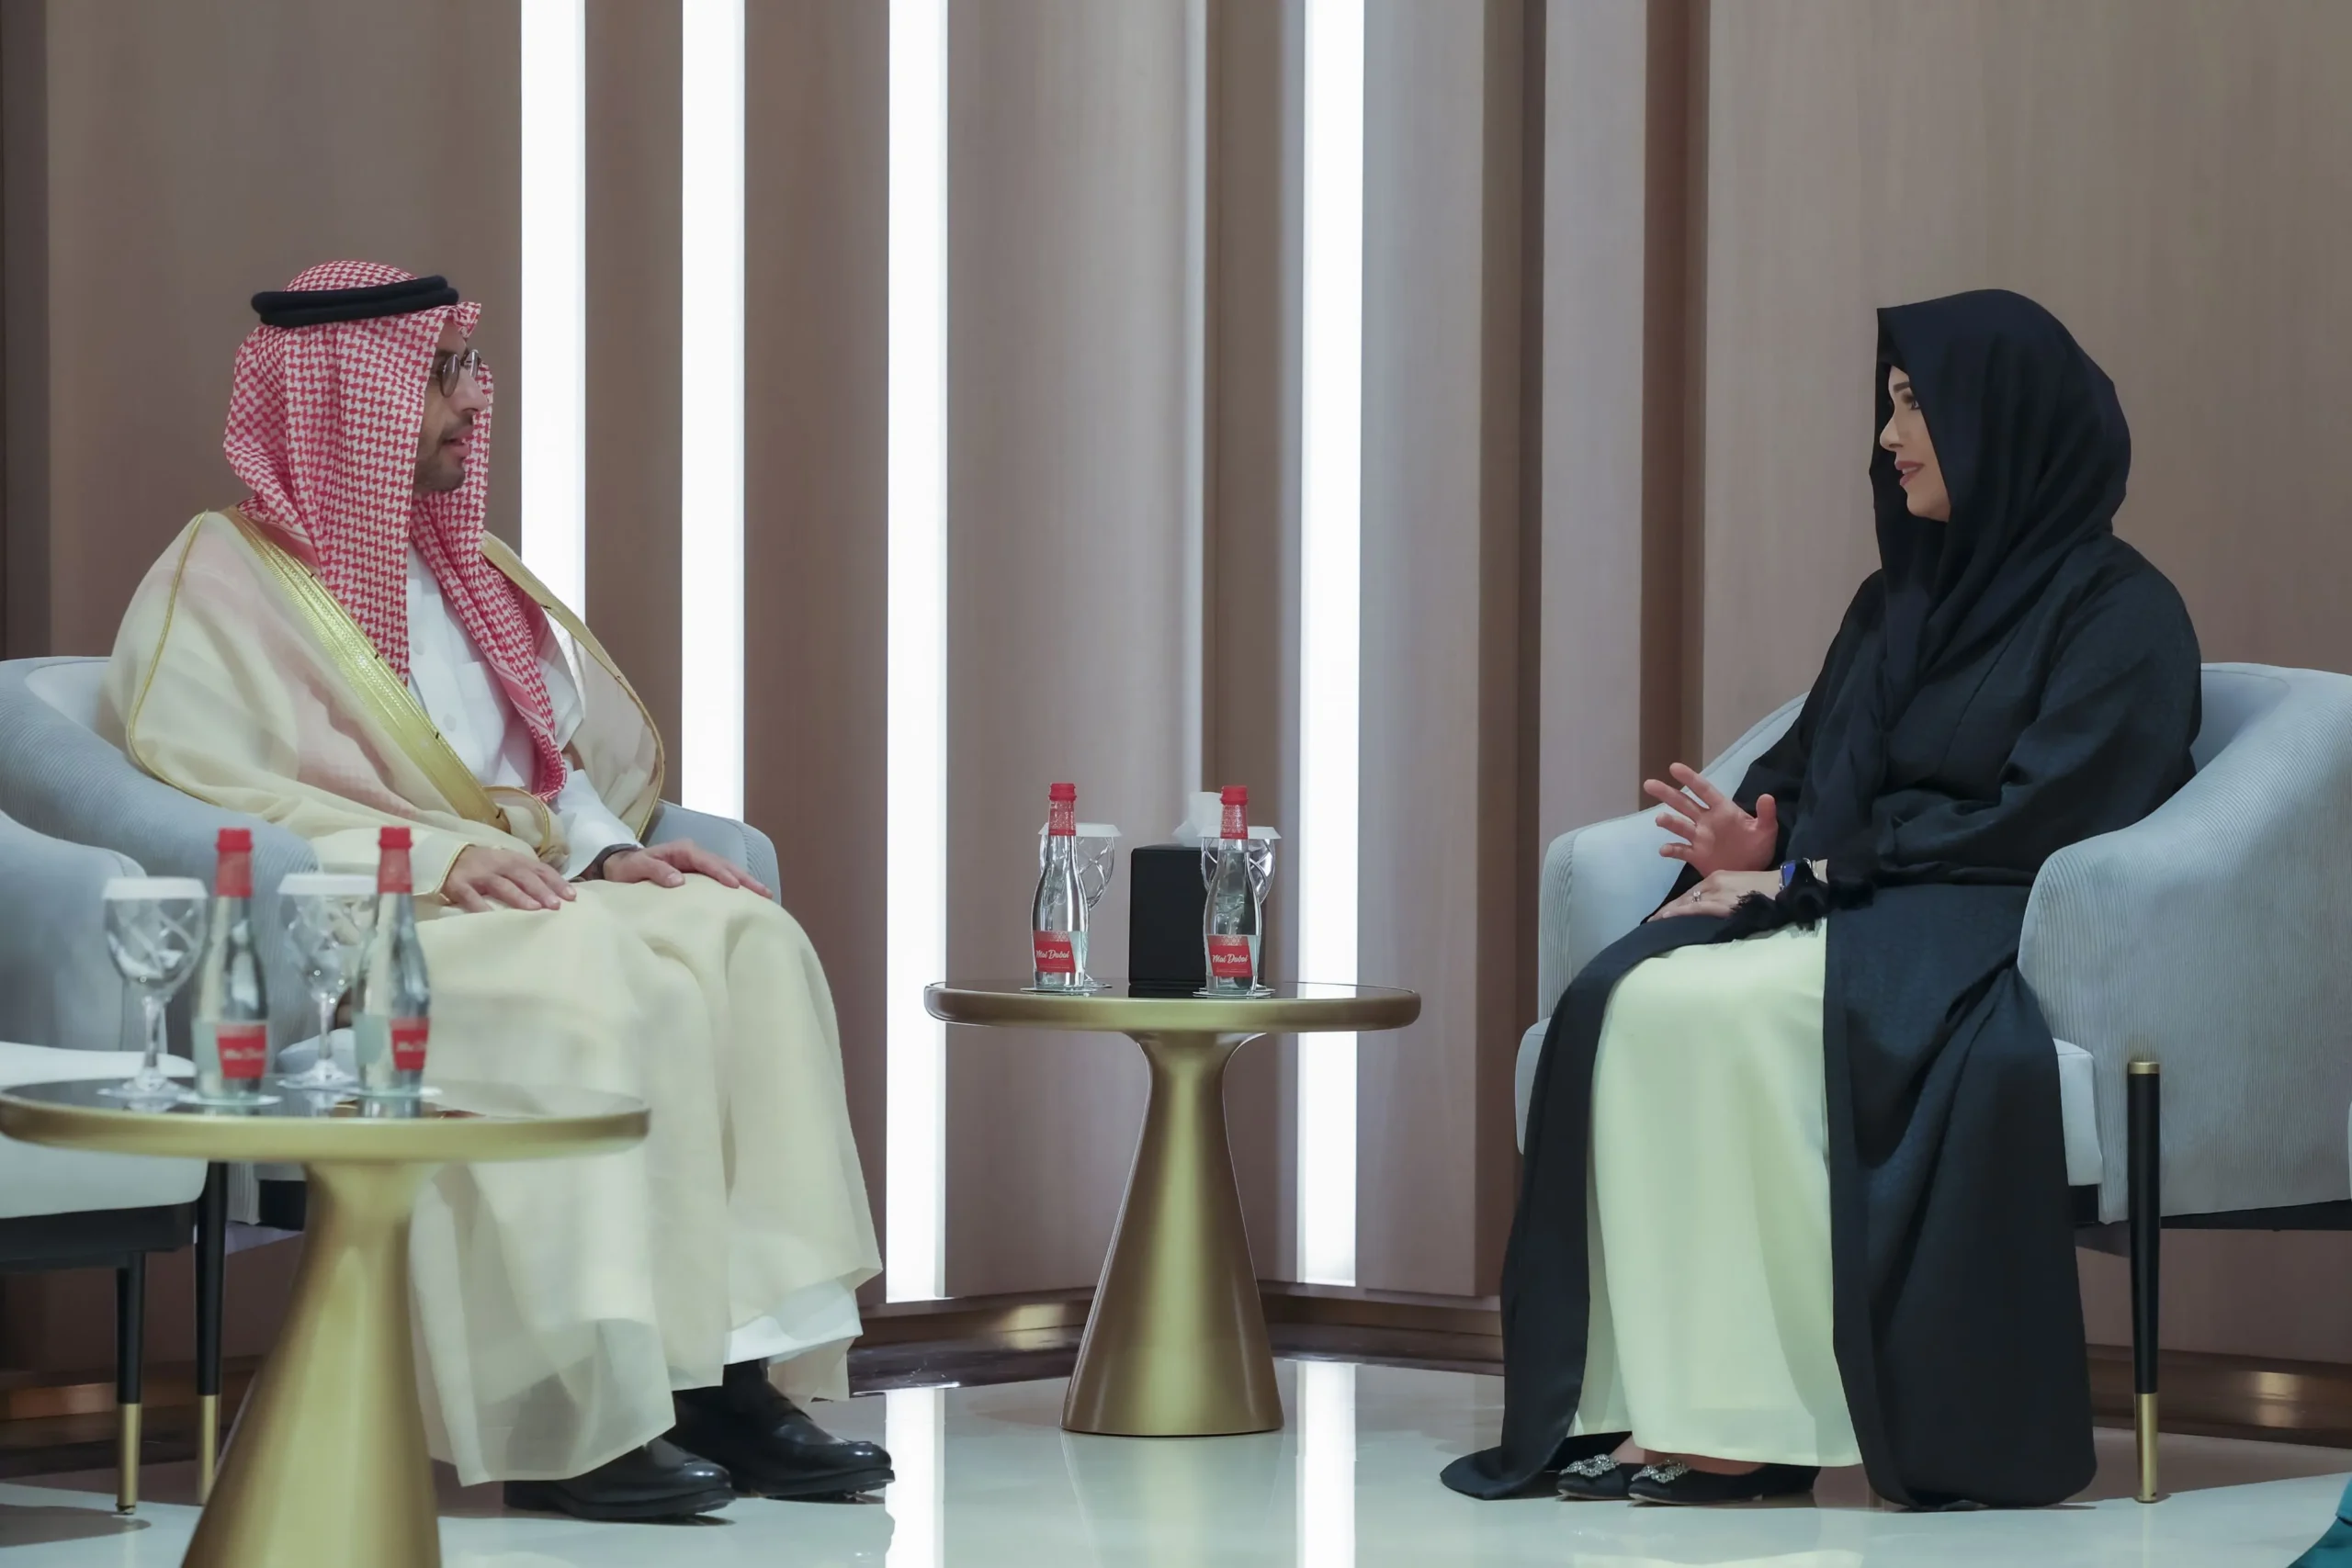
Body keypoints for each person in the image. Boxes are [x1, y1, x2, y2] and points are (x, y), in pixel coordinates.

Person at [102, 261, 889, 1522]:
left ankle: (727, 1372)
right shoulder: (221, 580)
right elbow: (212, 792)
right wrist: (431, 859)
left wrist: (609, 852)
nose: (477, 400)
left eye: (470, 368)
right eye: (440, 375)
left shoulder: (466, 567)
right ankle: (574, 1406)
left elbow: (539, 767)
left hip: (520, 887)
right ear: (346, 398)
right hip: (374, 915)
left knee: (746, 938)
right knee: (590, 973)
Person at [1442, 290, 2201, 1508]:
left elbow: (2051, 816)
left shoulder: (2124, 615)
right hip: (1857, 893)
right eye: (1889, 404)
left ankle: (1754, 1420)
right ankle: (1642, 1398)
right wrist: (1763, 839)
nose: (1891, 436)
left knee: (1724, 1010)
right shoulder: (1894, 601)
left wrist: (1812, 876)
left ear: (2002, 420)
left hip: (1979, 912)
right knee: (1630, 1002)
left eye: (1918, 406)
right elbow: (1810, 768)